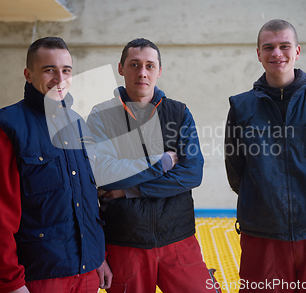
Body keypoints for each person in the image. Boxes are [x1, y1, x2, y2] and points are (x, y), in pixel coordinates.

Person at [224, 20, 306, 293]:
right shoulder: (241, 106)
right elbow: (236, 169)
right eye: (269, 47)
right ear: (258, 53)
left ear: (297, 51)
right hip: (263, 231)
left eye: (284, 46)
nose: (277, 53)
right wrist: (263, 200)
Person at [0, 37, 112, 293]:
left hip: (86, 273)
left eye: (66, 70)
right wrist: (11, 283)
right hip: (37, 278)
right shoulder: (5, 129)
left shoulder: (77, 124)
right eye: (49, 70)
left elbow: (86, 199)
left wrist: (98, 257)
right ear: (28, 74)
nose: (60, 79)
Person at [86, 38, 216, 292]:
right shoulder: (101, 116)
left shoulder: (179, 113)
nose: (142, 72)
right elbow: (103, 175)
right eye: (134, 65)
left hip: (178, 238)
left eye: (149, 65)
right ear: (121, 68)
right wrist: (162, 163)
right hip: (125, 242)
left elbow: (191, 174)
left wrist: (129, 190)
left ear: (159, 70)